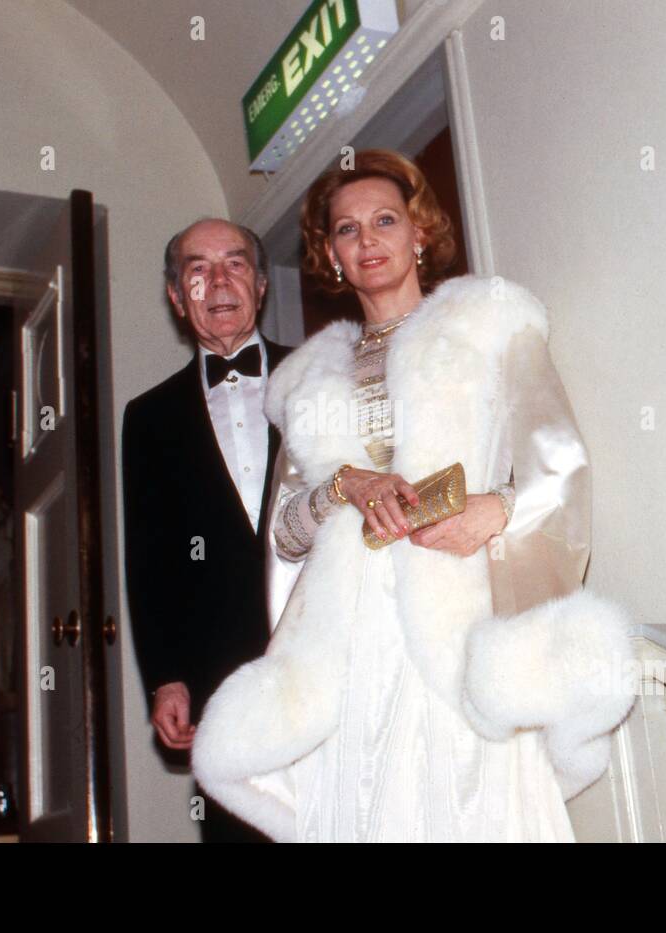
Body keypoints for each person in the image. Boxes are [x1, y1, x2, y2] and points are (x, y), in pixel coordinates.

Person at [193, 150, 637, 842]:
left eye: (385, 220)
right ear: (330, 255)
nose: (367, 240)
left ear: (420, 233)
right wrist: (343, 484)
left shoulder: (488, 327)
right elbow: (283, 535)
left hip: (458, 607)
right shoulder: (307, 380)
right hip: (352, 637)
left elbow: (559, 459)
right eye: (346, 229)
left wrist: (494, 511)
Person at [122, 218, 291, 843]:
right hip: (220, 685)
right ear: (176, 295)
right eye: (198, 268)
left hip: (330, 660)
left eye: (235, 263)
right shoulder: (148, 418)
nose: (218, 281)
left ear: (262, 283)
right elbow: (149, 559)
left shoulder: (323, 376)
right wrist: (166, 675)